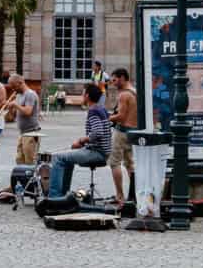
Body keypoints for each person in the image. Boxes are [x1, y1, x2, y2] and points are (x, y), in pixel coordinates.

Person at [51, 82, 112, 198]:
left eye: (83, 93)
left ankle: (54, 197)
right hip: (102, 150)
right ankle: (63, 195)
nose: (82, 96)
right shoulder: (102, 109)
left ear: (87, 96)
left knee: (57, 158)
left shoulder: (93, 111)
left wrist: (81, 141)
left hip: (97, 153)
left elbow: (97, 133)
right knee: (66, 159)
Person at [107, 67, 138, 209]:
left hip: (122, 131)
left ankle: (120, 196)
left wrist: (107, 117)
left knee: (114, 163)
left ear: (122, 78)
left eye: (114, 79)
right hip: (132, 132)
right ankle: (135, 194)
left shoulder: (124, 95)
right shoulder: (134, 91)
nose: (113, 83)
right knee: (130, 165)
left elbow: (121, 116)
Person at [10, 73, 43, 166]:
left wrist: (15, 105)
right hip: (23, 132)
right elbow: (17, 114)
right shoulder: (19, 95)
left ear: (20, 83)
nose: (13, 89)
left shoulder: (30, 94)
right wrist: (11, 109)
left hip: (31, 132)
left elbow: (28, 111)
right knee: (19, 159)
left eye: (14, 86)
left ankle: (32, 179)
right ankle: (24, 179)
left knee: (30, 160)